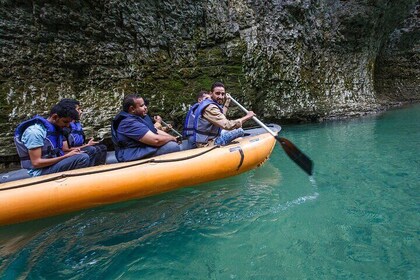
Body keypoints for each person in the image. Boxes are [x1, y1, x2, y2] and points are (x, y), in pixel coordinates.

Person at [14, 102, 90, 177]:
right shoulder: (35, 132)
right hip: (39, 172)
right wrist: (66, 156)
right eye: (65, 122)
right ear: (55, 117)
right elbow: (36, 163)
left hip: (52, 165)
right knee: (82, 158)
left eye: (69, 123)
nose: (67, 125)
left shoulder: (57, 129)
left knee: (89, 151)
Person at [111, 94, 182, 162]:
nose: (145, 107)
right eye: (142, 106)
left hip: (141, 147)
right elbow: (156, 140)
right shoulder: (127, 123)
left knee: (172, 143)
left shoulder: (140, 117)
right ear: (132, 109)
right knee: (172, 146)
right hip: (131, 153)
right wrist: (172, 139)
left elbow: (154, 130)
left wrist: (172, 137)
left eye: (144, 104)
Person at [192, 82, 255, 148]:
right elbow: (227, 125)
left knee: (230, 130)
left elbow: (222, 116)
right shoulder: (210, 107)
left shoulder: (208, 103)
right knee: (240, 131)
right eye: (217, 93)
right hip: (207, 144)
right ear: (211, 93)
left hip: (209, 138)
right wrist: (248, 116)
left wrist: (227, 101)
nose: (220, 96)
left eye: (222, 94)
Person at [58, 98, 107, 166]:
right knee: (91, 149)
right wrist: (87, 145)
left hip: (76, 148)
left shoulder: (76, 124)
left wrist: (87, 144)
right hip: (68, 153)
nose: (81, 112)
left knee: (102, 147)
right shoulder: (64, 127)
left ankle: (101, 167)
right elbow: (65, 149)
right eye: (78, 109)